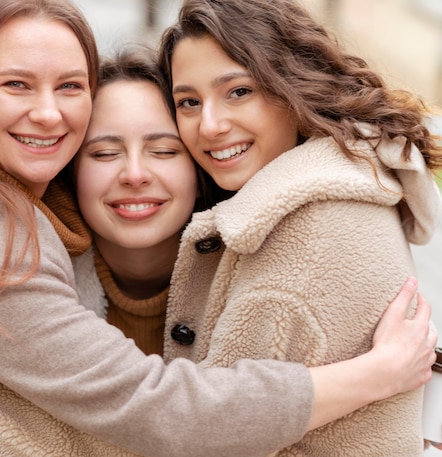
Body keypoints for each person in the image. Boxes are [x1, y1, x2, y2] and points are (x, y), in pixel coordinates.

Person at [0, 1, 435, 455]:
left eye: (69, 86)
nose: (48, 111)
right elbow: (155, 411)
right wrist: (374, 374)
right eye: (15, 85)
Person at [155, 0, 442, 455]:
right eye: (188, 102)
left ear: (292, 86)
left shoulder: (306, 232)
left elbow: (205, 436)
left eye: (238, 91)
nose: (209, 125)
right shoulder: (342, 185)